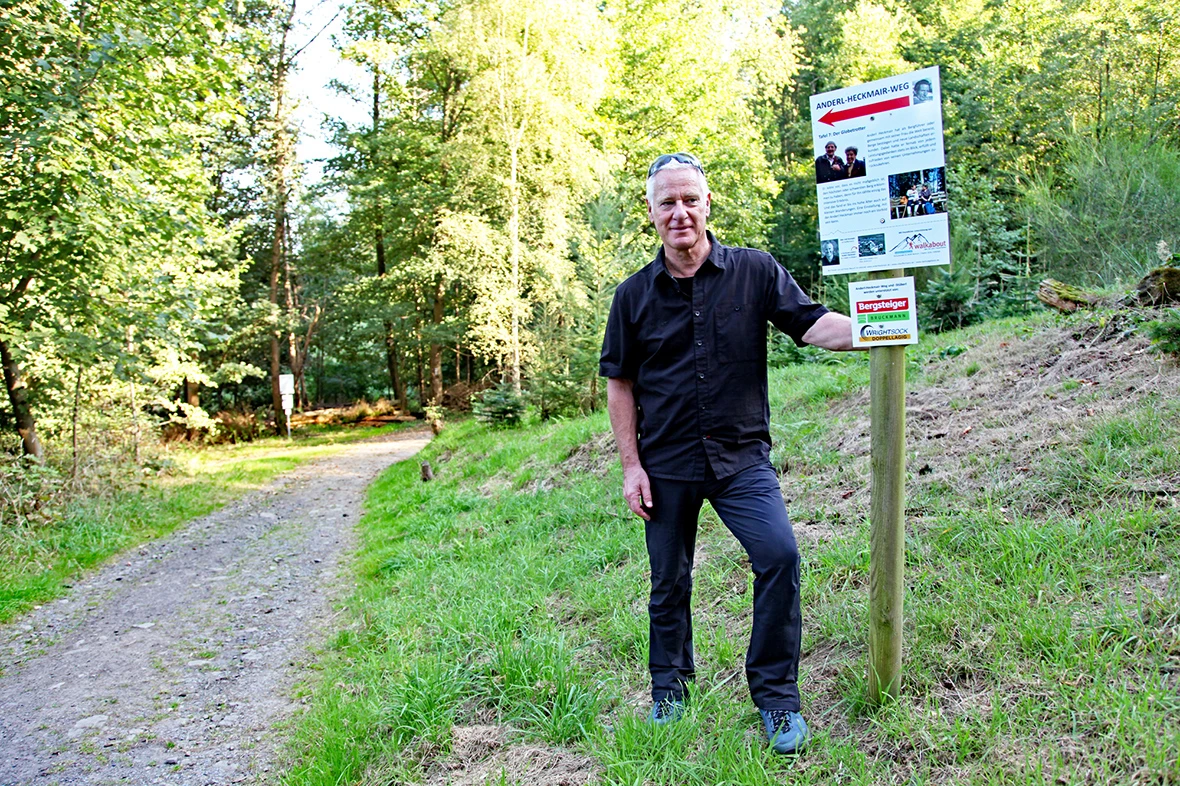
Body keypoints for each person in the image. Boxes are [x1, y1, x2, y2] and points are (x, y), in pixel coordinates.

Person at [599, 152, 857, 756]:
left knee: (780, 557)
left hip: (742, 459)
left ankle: (776, 699)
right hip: (665, 465)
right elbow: (620, 383)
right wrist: (631, 466)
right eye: (668, 202)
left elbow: (813, 325)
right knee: (669, 580)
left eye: (690, 199)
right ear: (652, 213)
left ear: (707, 204)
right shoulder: (632, 296)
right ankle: (670, 689)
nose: (680, 212)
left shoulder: (755, 271)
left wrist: (885, 325)